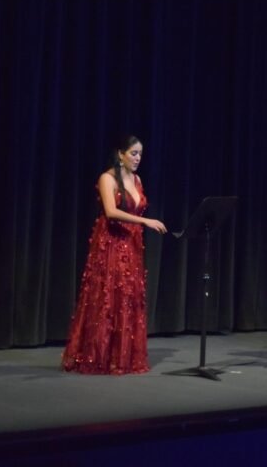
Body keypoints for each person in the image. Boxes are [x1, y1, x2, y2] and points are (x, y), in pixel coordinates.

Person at [62, 134, 167, 375]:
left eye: (140, 154)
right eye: (133, 153)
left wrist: (140, 226)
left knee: (127, 298)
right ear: (120, 154)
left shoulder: (138, 180)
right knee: (108, 299)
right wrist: (146, 221)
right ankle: (99, 356)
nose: (138, 158)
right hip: (111, 244)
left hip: (131, 246)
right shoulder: (107, 178)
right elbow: (110, 211)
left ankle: (122, 357)